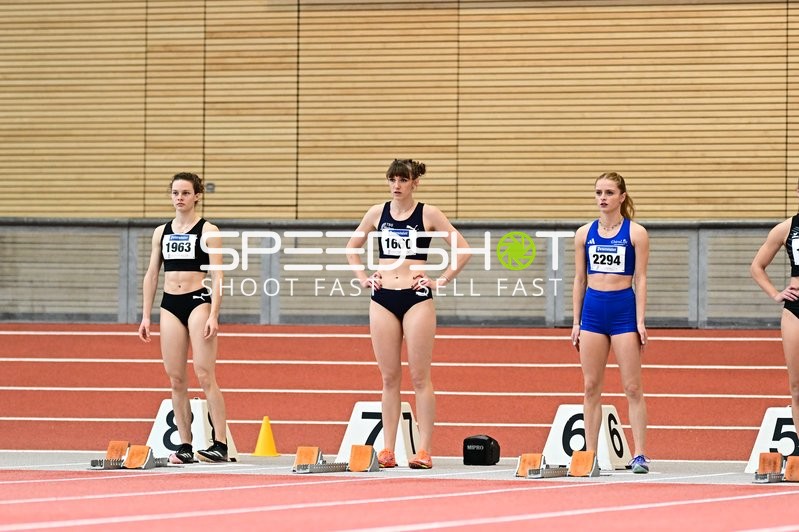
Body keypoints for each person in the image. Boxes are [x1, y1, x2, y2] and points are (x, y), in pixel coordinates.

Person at [346, 159, 471, 469]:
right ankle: (388, 449)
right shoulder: (377, 213)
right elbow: (352, 246)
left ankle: (424, 450)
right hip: (382, 297)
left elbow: (463, 248)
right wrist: (363, 277)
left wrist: (440, 280)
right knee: (389, 378)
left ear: (415, 183)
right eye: (393, 179)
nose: (397, 185)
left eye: (403, 179)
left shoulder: (428, 213)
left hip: (416, 298)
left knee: (419, 377)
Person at [138, 172, 229, 463]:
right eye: (175, 193)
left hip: (198, 301)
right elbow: (152, 273)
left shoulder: (208, 230)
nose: (180, 198)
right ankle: (186, 445)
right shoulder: (161, 232)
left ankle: (220, 444)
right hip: (169, 304)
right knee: (176, 378)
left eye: (186, 193)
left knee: (205, 374)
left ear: (197, 196)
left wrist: (214, 314)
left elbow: (217, 275)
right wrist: (145, 316)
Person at [571, 172, 650, 474]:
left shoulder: (636, 233)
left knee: (632, 386)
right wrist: (576, 320)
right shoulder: (584, 233)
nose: (602, 198)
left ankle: (640, 453)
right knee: (591, 386)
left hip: (622, 311)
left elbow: (641, 279)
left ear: (622, 197)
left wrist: (640, 320)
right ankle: (589, 454)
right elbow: (579, 279)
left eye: (609, 192)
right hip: (592, 311)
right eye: (598, 192)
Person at [751, 182, 799, 435]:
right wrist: (775, 293)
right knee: (796, 386)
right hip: (795, 309)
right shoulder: (786, 228)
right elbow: (757, 266)